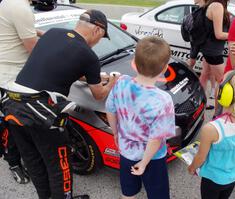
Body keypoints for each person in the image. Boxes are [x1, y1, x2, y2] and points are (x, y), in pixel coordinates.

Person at [2, 10, 117, 199]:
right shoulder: (88, 55)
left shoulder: (54, 33)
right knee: (59, 164)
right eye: (102, 37)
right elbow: (98, 95)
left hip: (13, 103)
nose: (98, 42)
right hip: (41, 111)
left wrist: (95, 76)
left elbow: (63, 63)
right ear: (98, 29)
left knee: (34, 161)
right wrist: (111, 81)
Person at [106, 36, 176, 199]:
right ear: (165, 68)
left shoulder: (121, 82)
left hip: (127, 150)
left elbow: (110, 110)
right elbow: (156, 138)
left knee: (128, 192)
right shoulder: (162, 100)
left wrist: (116, 133)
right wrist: (144, 163)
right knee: (158, 193)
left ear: (134, 63)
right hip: (153, 157)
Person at [188, 70, 235, 199]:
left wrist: (192, 168)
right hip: (234, 175)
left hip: (213, 179)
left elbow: (200, 157)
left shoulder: (211, 129)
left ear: (225, 94)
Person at [0, 0, 42, 184]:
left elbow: (25, 32)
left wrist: (44, 34)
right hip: (9, 78)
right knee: (14, 124)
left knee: (18, 123)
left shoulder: (11, 3)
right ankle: (14, 163)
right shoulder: (20, 7)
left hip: (13, 73)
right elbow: (34, 49)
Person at [191, 0, 230, 109]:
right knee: (223, 81)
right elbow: (219, 34)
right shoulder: (217, 6)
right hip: (213, 52)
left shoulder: (210, 5)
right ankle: (219, 111)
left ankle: (199, 103)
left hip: (208, 48)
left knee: (204, 75)